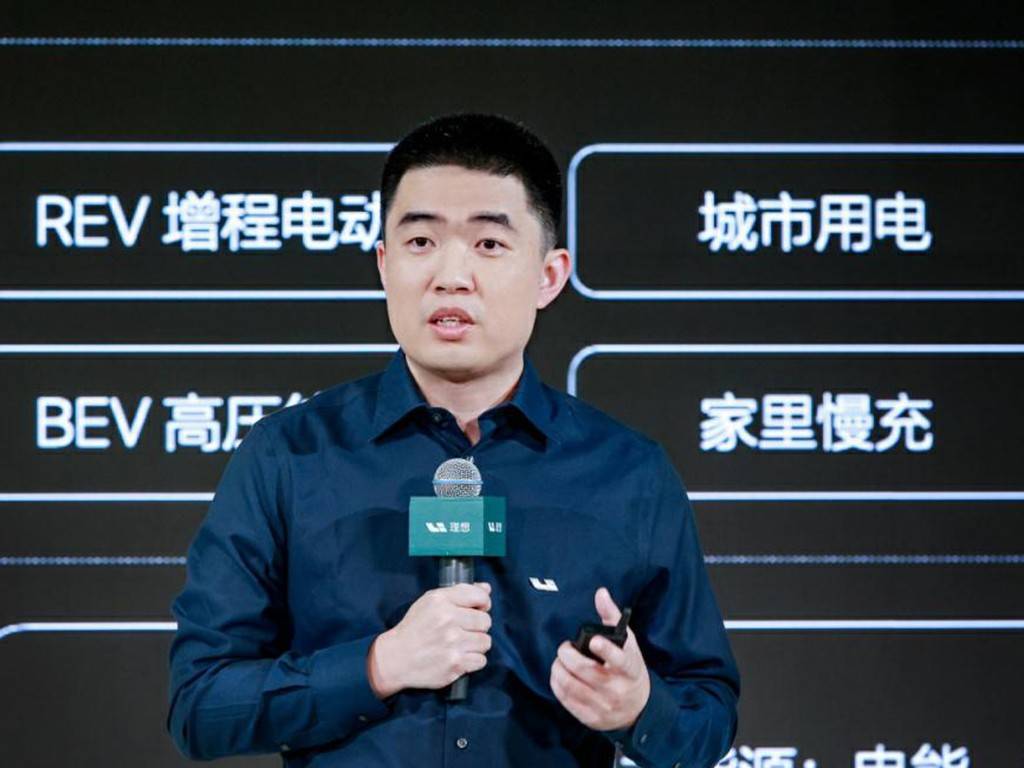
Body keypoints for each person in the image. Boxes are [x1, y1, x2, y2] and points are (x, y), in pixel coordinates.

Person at [167, 113, 739, 767]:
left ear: (549, 276)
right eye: (421, 242)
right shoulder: (288, 456)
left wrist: (639, 709)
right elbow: (200, 705)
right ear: (384, 266)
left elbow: (708, 713)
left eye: (489, 244)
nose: (451, 275)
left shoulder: (628, 473)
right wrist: (378, 665)